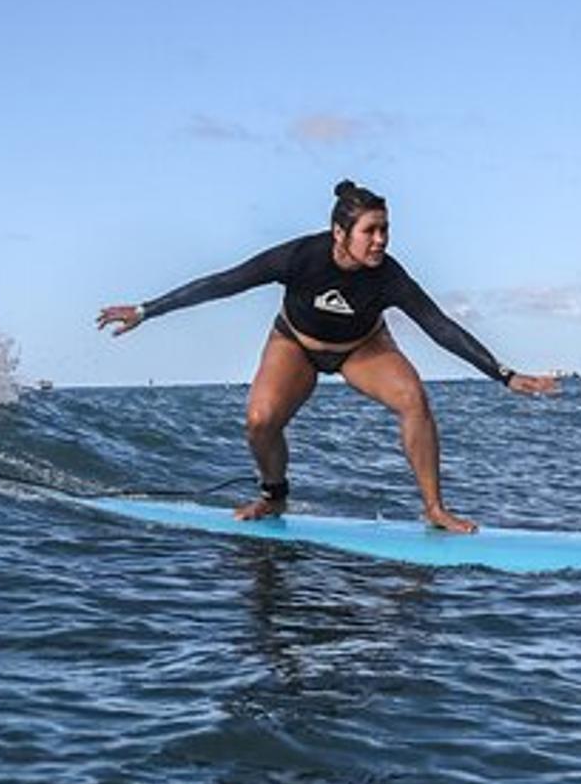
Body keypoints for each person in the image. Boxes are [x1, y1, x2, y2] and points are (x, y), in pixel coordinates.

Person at [97, 179, 557, 533]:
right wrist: (145, 311)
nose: (380, 240)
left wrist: (505, 375)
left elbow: (438, 326)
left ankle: (435, 509)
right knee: (260, 419)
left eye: (385, 230)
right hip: (294, 344)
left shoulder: (389, 277)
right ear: (340, 233)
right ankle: (274, 495)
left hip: (363, 348)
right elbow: (225, 282)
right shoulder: (300, 256)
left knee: (413, 398)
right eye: (370, 231)